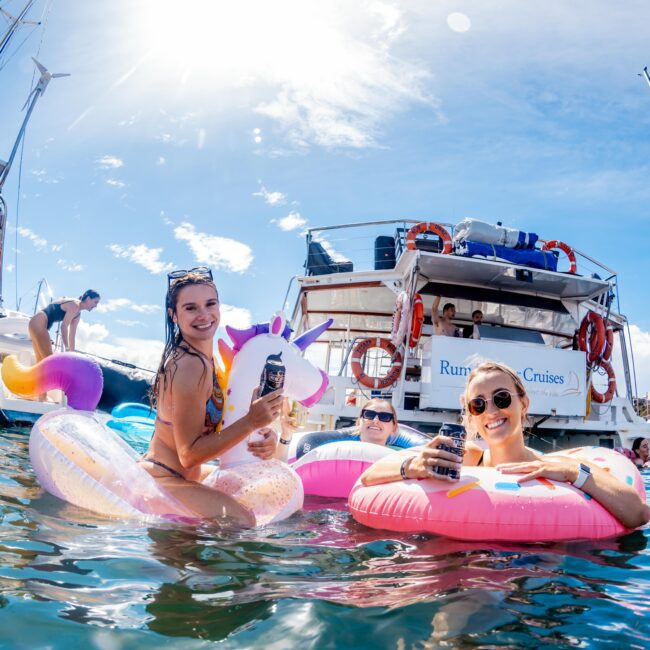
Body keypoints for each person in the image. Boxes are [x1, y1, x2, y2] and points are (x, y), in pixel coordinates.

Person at [361, 361, 649, 530]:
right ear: (472, 415)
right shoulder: (467, 456)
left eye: (501, 398)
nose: (491, 411)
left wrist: (576, 471)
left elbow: (638, 515)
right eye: (478, 404)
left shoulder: (554, 467)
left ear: (523, 403)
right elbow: (369, 476)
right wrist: (413, 465)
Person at [140, 268, 283, 523]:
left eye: (210, 304)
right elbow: (189, 455)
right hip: (164, 478)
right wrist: (251, 422)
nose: (204, 315)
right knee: (242, 521)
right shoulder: (188, 366)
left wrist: (263, 433)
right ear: (174, 315)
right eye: (191, 308)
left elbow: (224, 423)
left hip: (183, 476)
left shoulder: (208, 361)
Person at [275, 397, 399, 462]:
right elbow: (283, 473)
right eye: (369, 415)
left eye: (385, 417)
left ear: (394, 427)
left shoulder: (400, 457)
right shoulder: (336, 451)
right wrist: (286, 434)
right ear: (359, 422)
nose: (376, 420)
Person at [28, 289, 101, 362]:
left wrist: (72, 355)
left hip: (35, 324)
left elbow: (72, 336)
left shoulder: (77, 314)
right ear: (88, 298)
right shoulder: (75, 305)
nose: (96, 306)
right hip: (38, 322)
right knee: (49, 362)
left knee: (40, 362)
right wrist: (67, 348)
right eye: (95, 302)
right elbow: (64, 326)